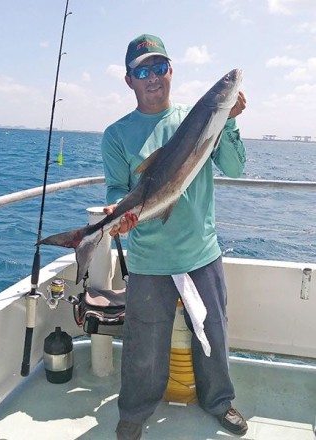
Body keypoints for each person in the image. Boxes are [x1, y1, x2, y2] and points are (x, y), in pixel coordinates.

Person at [101, 34, 248, 439]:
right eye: (142, 70)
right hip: (148, 256)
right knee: (143, 345)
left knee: (214, 335)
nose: (153, 77)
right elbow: (117, 190)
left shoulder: (197, 116)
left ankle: (220, 401)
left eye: (160, 67)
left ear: (171, 71)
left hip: (201, 250)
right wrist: (117, 210)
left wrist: (229, 120)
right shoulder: (117, 134)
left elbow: (234, 169)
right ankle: (133, 411)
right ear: (129, 79)